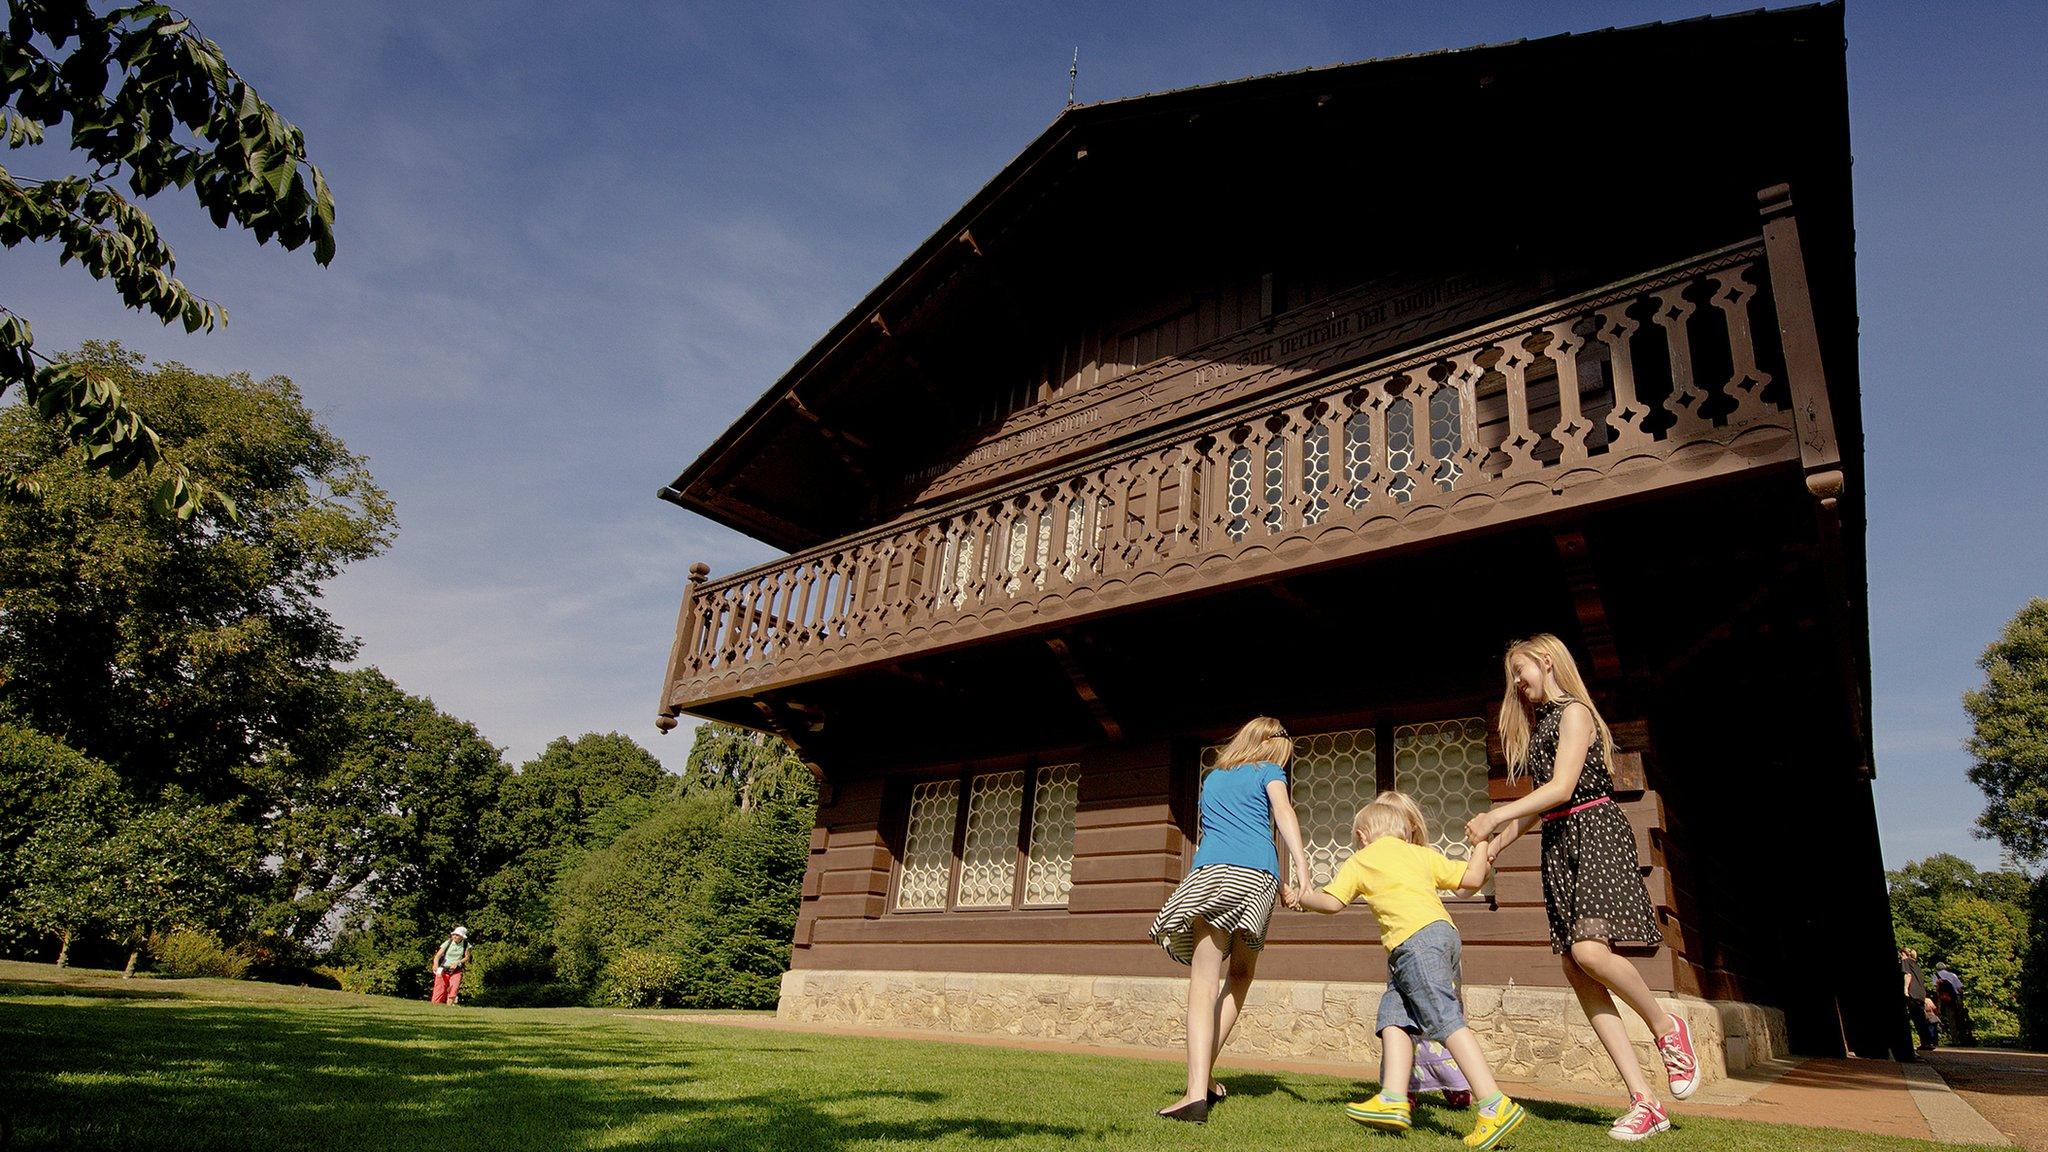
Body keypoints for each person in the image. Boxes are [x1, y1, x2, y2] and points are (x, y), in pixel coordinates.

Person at [1464, 635, 1697, 1142]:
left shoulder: (1575, 714)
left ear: (1546, 661)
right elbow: (1543, 803)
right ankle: (1644, 1100)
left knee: (1590, 952)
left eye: (1520, 672)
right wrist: (1499, 842)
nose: (1517, 686)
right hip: (1560, 840)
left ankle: (1666, 1027)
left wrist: (1496, 813)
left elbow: (1564, 788)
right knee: (1575, 965)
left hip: (1594, 831)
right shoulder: (1544, 722)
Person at [1286, 792, 1528, 1149]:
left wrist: (1302, 898)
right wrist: (1481, 842)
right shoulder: (1421, 855)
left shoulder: (1362, 859)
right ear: (1403, 831)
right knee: (1393, 1016)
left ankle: (1494, 1104)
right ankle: (1393, 1098)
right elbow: (1474, 879)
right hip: (1439, 938)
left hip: (1414, 943)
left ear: (1363, 836)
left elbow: (1333, 903)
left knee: (1445, 1021)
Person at [1148, 716, 1311, 1124]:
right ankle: (1199, 1085)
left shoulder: (1214, 778)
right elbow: (1283, 815)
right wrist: (1302, 875)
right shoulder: (1270, 771)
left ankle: (1194, 1090)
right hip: (1257, 876)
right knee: (1240, 975)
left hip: (1213, 874)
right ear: (1271, 745)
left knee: (1204, 982)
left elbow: (1215, 829)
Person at [1900, 948, 1938, 1052]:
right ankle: (1928, 1042)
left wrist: (1905, 989)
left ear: (1904, 954)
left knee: (1917, 1019)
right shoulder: (1916, 965)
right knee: (1921, 1019)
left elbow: (1907, 975)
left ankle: (1925, 1043)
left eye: (1901, 955)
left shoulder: (1905, 961)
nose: (1900, 957)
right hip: (1920, 994)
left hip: (1913, 993)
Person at [1932, 962, 1974, 1046]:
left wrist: (1939, 1004)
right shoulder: (1952, 975)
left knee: (1951, 1020)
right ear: (1945, 968)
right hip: (1956, 998)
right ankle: (1963, 1038)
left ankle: (1954, 1040)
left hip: (1946, 1000)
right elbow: (1960, 989)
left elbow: (1937, 989)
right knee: (1960, 1019)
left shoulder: (1935, 975)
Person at [430, 926, 472, 1005]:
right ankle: (435, 1006)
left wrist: (458, 962)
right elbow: (437, 956)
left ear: (462, 937)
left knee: (453, 989)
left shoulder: (466, 944)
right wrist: (435, 964)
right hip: (443, 969)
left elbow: (467, 957)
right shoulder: (448, 942)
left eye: (457, 935)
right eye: (454, 934)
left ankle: (448, 1007)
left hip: (456, 971)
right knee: (439, 988)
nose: (455, 936)